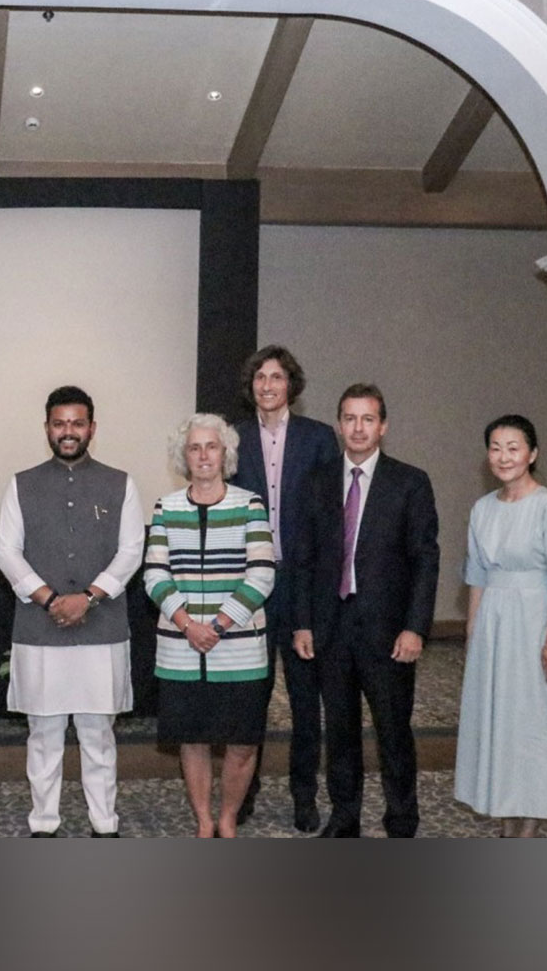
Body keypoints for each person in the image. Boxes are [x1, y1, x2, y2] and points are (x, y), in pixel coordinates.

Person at [0, 386, 145, 838]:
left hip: (102, 628)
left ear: (92, 428)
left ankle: (105, 824)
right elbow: (7, 552)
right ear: (47, 428)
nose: (68, 431)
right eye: (59, 423)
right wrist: (49, 598)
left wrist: (89, 597)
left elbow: (131, 551)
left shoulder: (121, 483)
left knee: (98, 734)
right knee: (44, 735)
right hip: (40, 629)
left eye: (77, 423)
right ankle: (44, 824)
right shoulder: (21, 484)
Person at [294, 383, 439, 838]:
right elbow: (303, 559)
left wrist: (415, 628)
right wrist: (302, 622)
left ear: (383, 426)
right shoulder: (316, 481)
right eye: (350, 418)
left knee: (393, 731)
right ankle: (345, 816)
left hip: (389, 632)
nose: (358, 428)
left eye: (368, 419)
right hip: (330, 627)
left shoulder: (410, 482)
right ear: (339, 425)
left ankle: (402, 817)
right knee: (340, 731)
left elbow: (425, 561)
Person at [143, 413, 275, 838]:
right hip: (182, 649)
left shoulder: (250, 505)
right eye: (194, 448)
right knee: (193, 739)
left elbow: (262, 574)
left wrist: (216, 626)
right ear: (183, 456)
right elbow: (155, 574)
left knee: (242, 743)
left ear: (225, 454)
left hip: (239, 649)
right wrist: (188, 625)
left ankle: (228, 817)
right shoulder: (166, 507)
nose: (203, 455)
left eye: (211, 446)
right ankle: (204, 820)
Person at [453, 415, 547, 838]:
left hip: (534, 625)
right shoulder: (482, 508)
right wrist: (473, 635)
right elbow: (476, 579)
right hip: (493, 628)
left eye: (513, 447)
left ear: (532, 454)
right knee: (497, 724)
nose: (503, 457)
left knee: (532, 725)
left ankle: (528, 828)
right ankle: (504, 818)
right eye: (495, 448)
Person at [231, 345, 339, 833]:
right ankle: (244, 791)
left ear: (290, 384)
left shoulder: (318, 439)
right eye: (260, 377)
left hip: (302, 585)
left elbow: (330, 518)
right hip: (249, 584)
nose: (267, 385)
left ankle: (304, 794)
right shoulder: (233, 439)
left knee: (304, 701)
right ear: (251, 385)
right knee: (250, 698)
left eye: (276, 377)